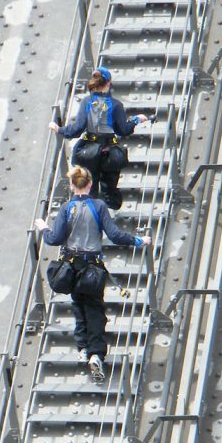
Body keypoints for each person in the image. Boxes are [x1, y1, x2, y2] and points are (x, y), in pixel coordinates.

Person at [34, 165, 151, 383]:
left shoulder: (67, 208)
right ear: (90, 184)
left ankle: (82, 347)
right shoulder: (98, 206)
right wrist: (139, 241)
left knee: (78, 305)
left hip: (71, 268)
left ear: (71, 185)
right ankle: (96, 353)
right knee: (95, 309)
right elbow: (115, 235)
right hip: (93, 269)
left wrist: (43, 227)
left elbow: (54, 239)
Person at [49, 66, 149, 209]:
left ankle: (91, 213)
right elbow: (123, 130)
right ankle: (109, 212)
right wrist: (136, 120)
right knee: (110, 187)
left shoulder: (86, 102)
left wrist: (59, 129)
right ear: (109, 83)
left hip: (89, 152)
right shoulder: (116, 105)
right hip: (110, 153)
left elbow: (77, 129)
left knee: (90, 186)